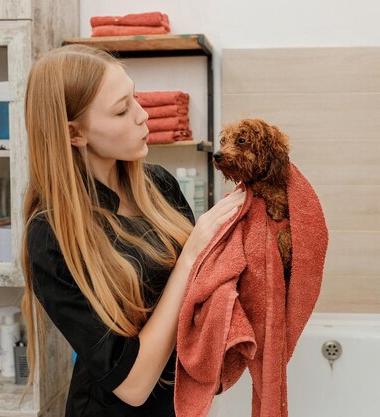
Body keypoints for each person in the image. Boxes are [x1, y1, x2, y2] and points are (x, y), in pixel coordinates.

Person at [20, 44, 245, 417]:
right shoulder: (51, 237)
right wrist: (191, 255)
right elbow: (133, 386)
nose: (142, 116)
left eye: (135, 99)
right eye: (122, 110)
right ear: (75, 133)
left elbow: (201, 299)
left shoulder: (159, 186)